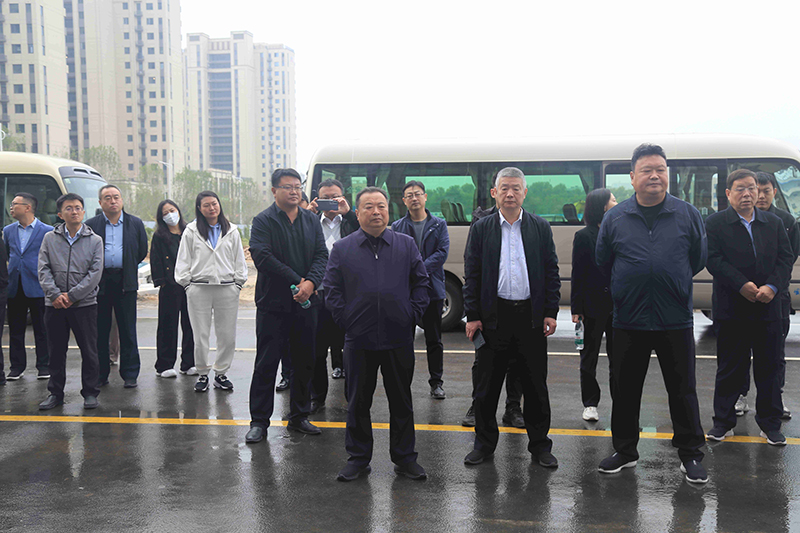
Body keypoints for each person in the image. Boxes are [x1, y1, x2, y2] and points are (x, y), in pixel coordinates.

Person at [596, 143, 708, 484]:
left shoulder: (687, 214)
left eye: (660, 169)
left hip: (675, 318)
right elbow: (604, 261)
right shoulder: (615, 218)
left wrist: (669, 280)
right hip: (628, 319)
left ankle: (690, 453)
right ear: (632, 177)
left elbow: (697, 258)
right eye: (647, 170)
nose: (655, 175)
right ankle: (625, 451)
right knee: (625, 390)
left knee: (683, 390)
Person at [324, 187, 430, 481]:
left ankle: (405, 458)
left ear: (389, 211)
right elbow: (331, 290)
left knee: (401, 401)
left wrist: (411, 315)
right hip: (359, 339)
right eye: (369, 207)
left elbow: (421, 283)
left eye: (381, 206)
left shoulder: (405, 244)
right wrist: (347, 320)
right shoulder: (343, 248)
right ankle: (358, 459)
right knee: (358, 401)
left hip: (398, 338)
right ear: (357, 213)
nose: (376, 212)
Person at [462, 167, 561, 469]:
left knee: (535, 386)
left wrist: (550, 311)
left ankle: (540, 446)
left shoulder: (539, 227)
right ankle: (483, 445)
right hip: (494, 318)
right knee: (487, 387)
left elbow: (551, 271)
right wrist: (472, 315)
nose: (510, 194)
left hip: (531, 318)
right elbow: (472, 274)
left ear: (524, 193)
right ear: (494, 192)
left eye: (516, 188)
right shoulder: (482, 229)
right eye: (504, 188)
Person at [705, 169, 793, 446]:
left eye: (752, 188)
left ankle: (770, 424)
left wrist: (773, 287)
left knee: (769, 368)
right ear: (728, 193)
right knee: (730, 368)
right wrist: (741, 284)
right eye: (740, 189)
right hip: (732, 307)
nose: (747, 194)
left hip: (768, 308)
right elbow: (713, 259)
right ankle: (723, 422)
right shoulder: (715, 223)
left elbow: (785, 259)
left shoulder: (774, 222)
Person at [245, 169, 328, 443]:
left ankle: (299, 416)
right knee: (266, 364)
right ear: (274, 191)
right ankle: (259, 422)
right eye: (287, 187)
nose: (294, 191)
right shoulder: (263, 220)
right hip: (273, 305)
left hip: (306, 304)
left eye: (297, 186)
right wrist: (297, 280)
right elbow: (262, 257)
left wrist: (310, 284)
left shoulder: (310, 220)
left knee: (304, 362)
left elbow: (321, 254)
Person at [734, 172, 800, 419]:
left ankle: (775, 398)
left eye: (766, 191)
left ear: (774, 192)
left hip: (776, 297)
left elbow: (788, 258)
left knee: (775, 355)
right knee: (740, 352)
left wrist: (772, 286)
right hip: (743, 295)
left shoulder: (786, 221)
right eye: (756, 190)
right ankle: (740, 396)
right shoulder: (737, 218)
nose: (760, 196)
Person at [175, 191, 247, 393]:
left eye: (214, 204)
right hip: (199, 288)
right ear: (199, 208)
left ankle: (221, 373)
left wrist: (238, 284)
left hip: (227, 288)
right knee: (200, 335)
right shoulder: (191, 231)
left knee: (227, 335)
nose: (211, 208)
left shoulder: (231, 230)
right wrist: (187, 285)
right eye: (206, 205)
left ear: (219, 205)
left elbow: (239, 260)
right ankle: (202, 374)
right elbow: (183, 260)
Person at [37, 193, 103, 410]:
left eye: (77, 208)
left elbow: (95, 273)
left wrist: (72, 295)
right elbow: (43, 269)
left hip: (84, 305)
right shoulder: (49, 238)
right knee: (56, 351)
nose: (74, 211)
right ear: (60, 214)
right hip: (54, 304)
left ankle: (90, 393)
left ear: (83, 211)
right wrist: (55, 295)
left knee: (89, 351)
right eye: (68, 208)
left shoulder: (95, 240)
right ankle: (55, 393)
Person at [392, 180, 450, 399]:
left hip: (432, 290)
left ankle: (436, 383)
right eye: (409, 195)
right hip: (406, 291)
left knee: (434, 339)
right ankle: (403, 382)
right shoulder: (398, 226)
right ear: (404, 201)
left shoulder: (439, 224)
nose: (414, 198)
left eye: (417, 194)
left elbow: (442, 252)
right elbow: (395, 255)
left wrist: (418, 269)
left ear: (425, 197)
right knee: (405, 340)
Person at [86, 185, 148, 389]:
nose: (112, 201)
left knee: (128, 330)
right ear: (100, 202)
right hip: (99, 282)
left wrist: (126, 265)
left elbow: (141, 250)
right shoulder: (91, 224)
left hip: (125, 281)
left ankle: (130, 373)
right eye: (107, 198)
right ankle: (100, 373)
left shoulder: (135, 223)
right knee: (100, 331)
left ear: (122, 200)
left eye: (116, 197)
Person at [307, 178, 359, 413]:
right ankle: (317, 398)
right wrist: (306, 215)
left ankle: (353, 399)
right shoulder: (309, 221)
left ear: (343, 197)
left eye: (335, 196)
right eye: (325, 197)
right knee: (317, 351)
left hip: (348, 295)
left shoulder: (351, 221)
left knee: (351, 350)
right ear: (317, 199)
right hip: (317, 293)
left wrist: (349, 214)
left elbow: (367, 237)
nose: (331, 201)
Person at [570, 188, 616, 422]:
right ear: (603, 206)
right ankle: (590, 403)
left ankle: (621, 403)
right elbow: (578, 273)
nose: (617, 202)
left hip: (618, 306)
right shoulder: (584, 236)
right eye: (613, 200)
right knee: (589, 357)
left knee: (620, 358)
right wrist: (576, 308)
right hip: (591, 306)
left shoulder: (618, 231)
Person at [4, 192, 54, 381]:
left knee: (42, 329)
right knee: (16, 329)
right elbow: (7, 254)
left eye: (15, 204)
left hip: (38, 285)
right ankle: (16, 367)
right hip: (15, 286)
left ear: (28, 207)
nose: (11, 207)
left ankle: (44, 366)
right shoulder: (8, 231)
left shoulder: (47, 231)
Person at [150, 200, 196, 379]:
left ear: (178, 210)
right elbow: (155, 259)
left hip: (190, 284)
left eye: (172, 210)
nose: (170, 214)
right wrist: (161, 281)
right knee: (167, 325)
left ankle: (189, 363)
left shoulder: (189, 232)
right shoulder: (159, 236)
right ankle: (164, 365)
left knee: (191, 324)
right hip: (170, 285)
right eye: (165, 213)